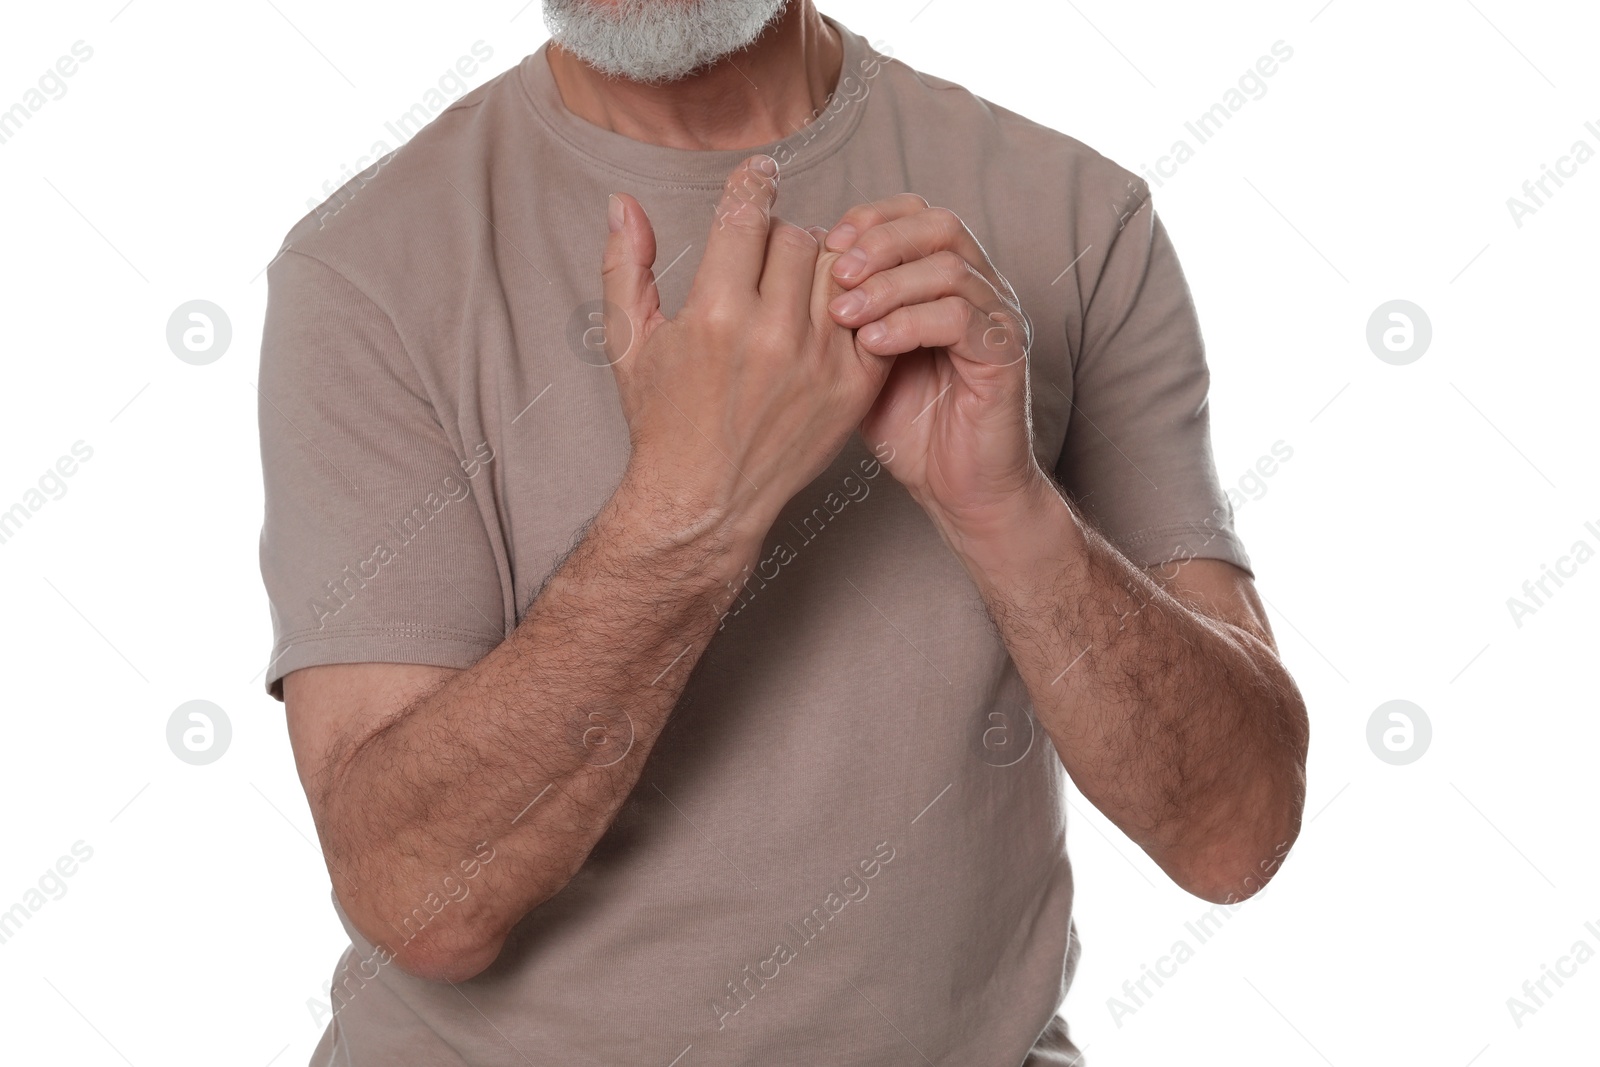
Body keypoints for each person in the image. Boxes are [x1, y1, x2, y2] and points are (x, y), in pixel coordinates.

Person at [256, 1, 1310, 1063]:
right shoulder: (366, 269)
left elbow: (1234, 832)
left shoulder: (1077, 217)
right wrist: (688, 505)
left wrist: (1005, 512)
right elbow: (420, 903)